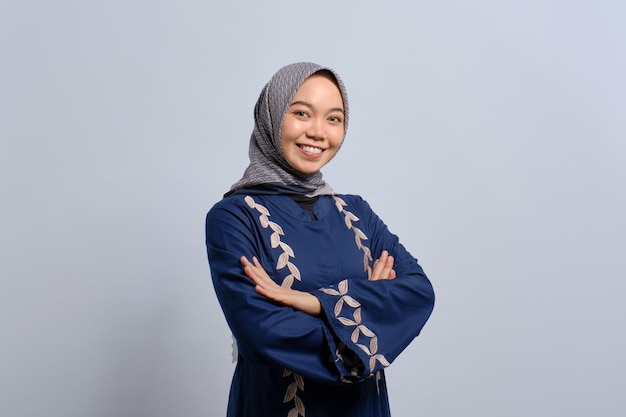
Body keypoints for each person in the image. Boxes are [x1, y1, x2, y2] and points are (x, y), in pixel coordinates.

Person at [205, 62, 435, 417]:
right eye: (301, 113)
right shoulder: (234, 217)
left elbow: (418, 293)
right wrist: (371, 305)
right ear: (272, 115)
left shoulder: (357, 213)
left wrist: (312, 301)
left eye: (333, 119)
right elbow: (262, 332)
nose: (318, 132)